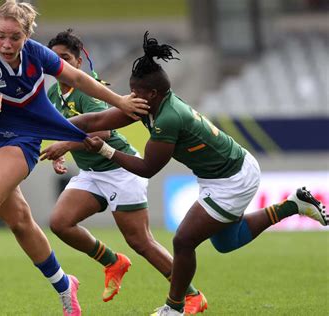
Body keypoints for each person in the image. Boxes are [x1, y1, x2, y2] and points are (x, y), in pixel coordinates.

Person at [69, 32, 328, 316]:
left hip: (233, 178)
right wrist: (57, 129)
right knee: (228, 241)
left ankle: (175, 307)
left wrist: (105, 150)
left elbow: (148, 168)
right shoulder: (151, 105)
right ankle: (293, 205)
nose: (130, 98)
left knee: (183, 240)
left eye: (135, 93)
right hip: (222, 174)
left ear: (153, 94)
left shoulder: (168, 118)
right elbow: (96, 119)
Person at [0, 1, 148, 315]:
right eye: (1, 35)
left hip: (22, 138)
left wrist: (120, 101)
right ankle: (64, 285)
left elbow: (80, 79)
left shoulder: (37, 56)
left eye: (15, 37)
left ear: (26, 36)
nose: (6, 43)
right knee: (19, 221)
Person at [40, 29, 207, 313]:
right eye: (54, 59)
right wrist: (63, 151)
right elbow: (66, 130)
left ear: (78, 63)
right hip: (92, 172)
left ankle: (192, 295)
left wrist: (64, 146)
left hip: (119, 168)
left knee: (141, 241)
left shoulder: (86, 89)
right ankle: (112, 261)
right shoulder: (54, 93)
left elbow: (103, 129)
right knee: (60, 222)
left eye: (66, 58)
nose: (61, 64)